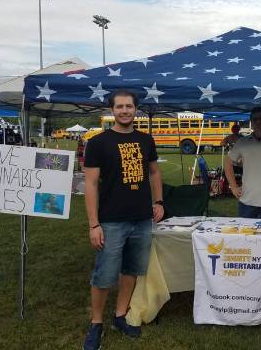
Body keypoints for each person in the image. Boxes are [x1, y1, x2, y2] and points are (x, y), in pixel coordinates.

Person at [82, 90, 164, 350]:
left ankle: (120, 316)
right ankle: (96, 323)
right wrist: (94, 224)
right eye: (120, 107)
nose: (125, 111)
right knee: (104, 275)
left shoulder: (145, 140)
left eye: (129, 106)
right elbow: (91, 184)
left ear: (136, 109)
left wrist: (159, 201)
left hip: (141, 219)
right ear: (112, 110)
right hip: (111, 220)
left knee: (132, 270)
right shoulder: (97, 143)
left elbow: (154, 172)